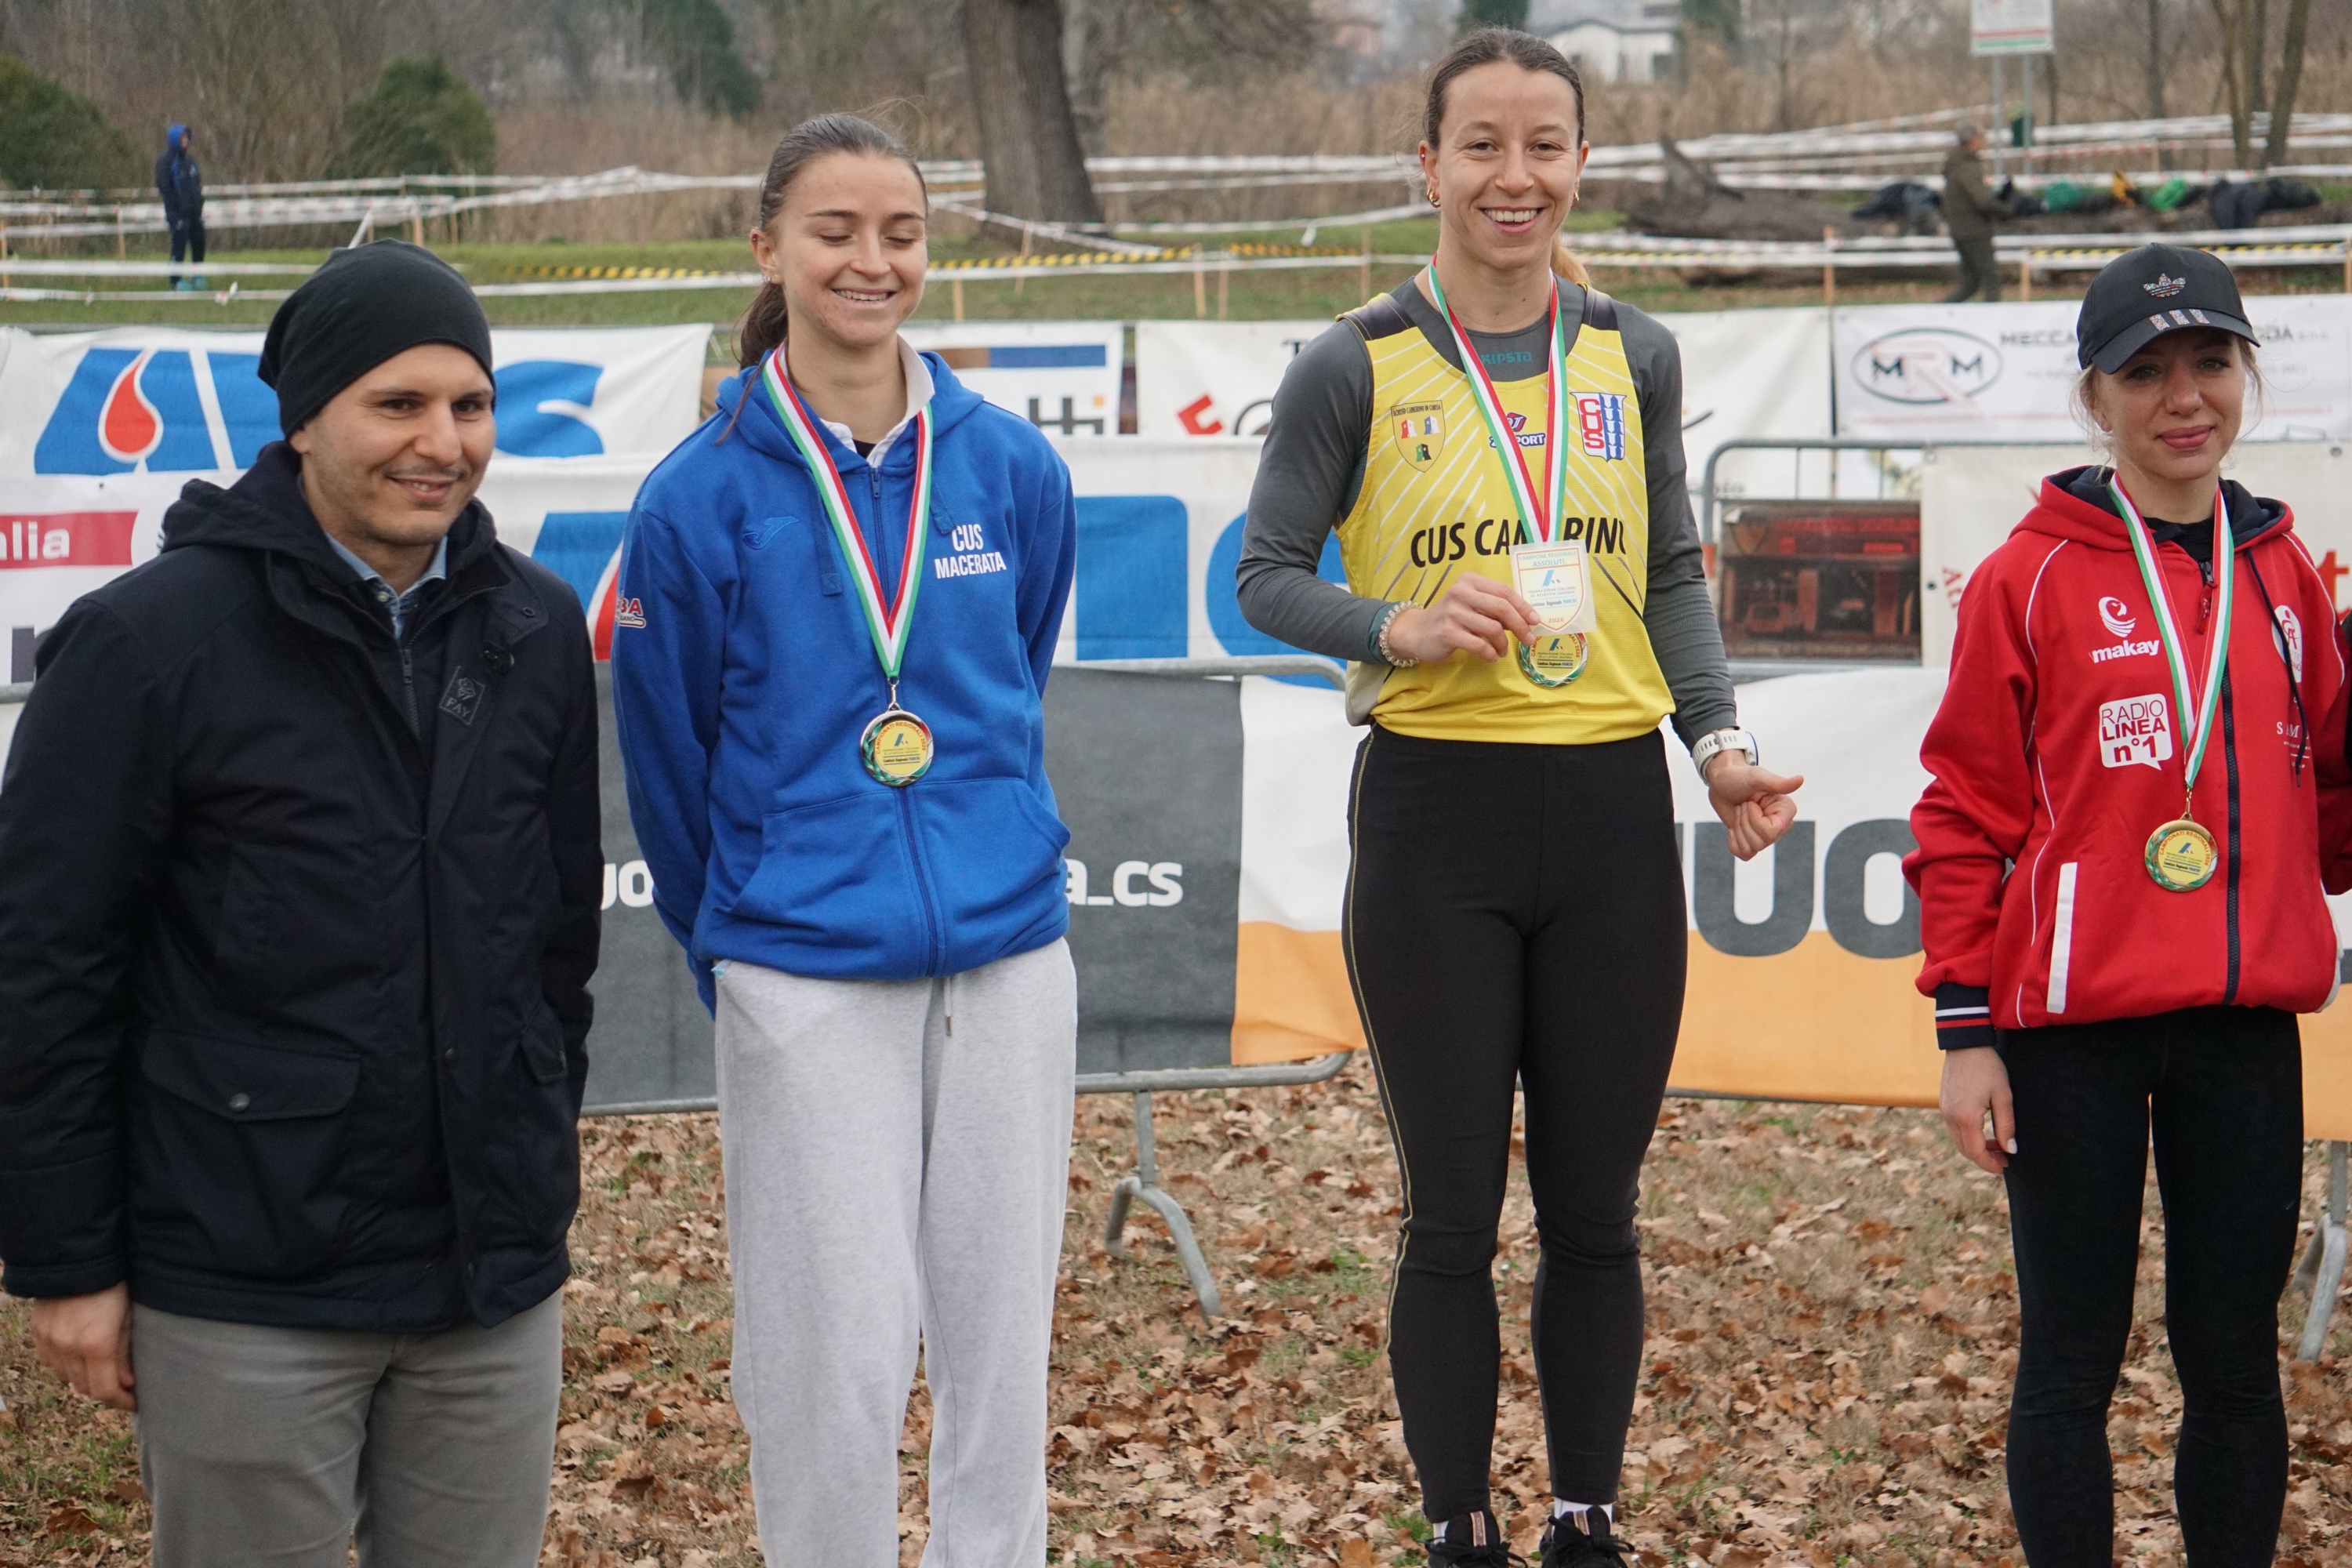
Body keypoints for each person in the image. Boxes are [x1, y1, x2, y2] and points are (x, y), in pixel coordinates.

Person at [1236, 28, 1802, 1568]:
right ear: (1425, 166)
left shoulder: (1636, 352)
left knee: (1597, 1211)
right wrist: (1397, 624)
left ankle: (1584, 1522)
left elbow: (1668, 572)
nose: (1515, 175)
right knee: (1450, 1216)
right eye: (1481, 145)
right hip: (1437, 818)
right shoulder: (1354, 361)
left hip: (1613, 817)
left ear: (1582, 164)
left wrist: (1720, 745)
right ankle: (1460, 1528)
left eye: (1544, 145)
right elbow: (1263, 575)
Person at [0, 241, 603, 1568]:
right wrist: (66, 1261)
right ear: (307, 421)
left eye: (471, 404)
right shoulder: (148, 642)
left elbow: (559, 942)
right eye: (399, 404)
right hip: (244, 1276)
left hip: (487, 1284)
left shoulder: (540, 627)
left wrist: (530, 1149)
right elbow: (46, 968)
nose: (443, 441)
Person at [612, 114, 1078, 1568]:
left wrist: (986, 850)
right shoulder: (698, 496)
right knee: (833, 1353)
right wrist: (752, 936)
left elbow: (1016, 678)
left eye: (901, 233)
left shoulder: (1009, 467)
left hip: (1007, 958)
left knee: (1001, 1349)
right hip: (803, 969)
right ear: (769, 248)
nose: (872, 261)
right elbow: (669, 760)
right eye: (835, 232)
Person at [1913, 242, 2352, 1568]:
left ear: (2246, 378)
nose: (2184, 397)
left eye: (2210, 362)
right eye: (2145, 371)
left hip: (2242, 1031)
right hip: (2071, 1035)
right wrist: (1965, 1031)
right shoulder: (2027, 576)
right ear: (2093, 397)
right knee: (2070, 1360)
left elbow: (2333, 797)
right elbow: (1963, 813)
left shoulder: (2284, 574)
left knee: (2234, 1360)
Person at [1941, 122, 2003, 303]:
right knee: (1991, 279)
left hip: (1962, 229)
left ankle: (1935, 313)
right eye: (1980, 137)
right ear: (1971, 141)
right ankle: (1992, 317)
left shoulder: (1957, 163)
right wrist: (2006, 209)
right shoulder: (1967, 167)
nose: (1983, 140)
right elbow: (1982, 201)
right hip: (1973, 231)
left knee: (1971, 283)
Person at [156, 123, 205, 290]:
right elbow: (164, 187)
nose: (185, 141)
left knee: (199, 242)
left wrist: (199, 202)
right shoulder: (166, 162)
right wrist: (176, 209)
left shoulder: (190, 162)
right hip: (177, 214)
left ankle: (197, 275)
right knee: (179, 245)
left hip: (194, 213)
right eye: (182, 137)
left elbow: (197, 184)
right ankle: (176, 280)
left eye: (186, 137)